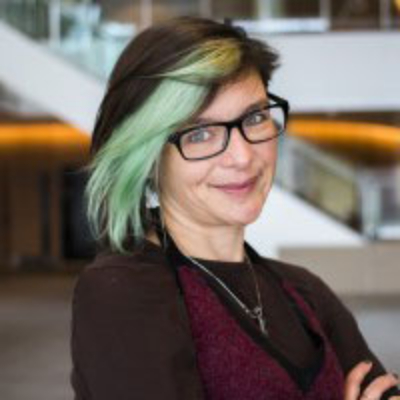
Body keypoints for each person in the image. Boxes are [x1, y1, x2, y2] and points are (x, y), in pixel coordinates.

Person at [70, 16, 400, 400]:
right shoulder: (122, 293)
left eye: (255, 117)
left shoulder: (304, 291)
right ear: (148, 157)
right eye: (200, 133)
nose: (243, 156)